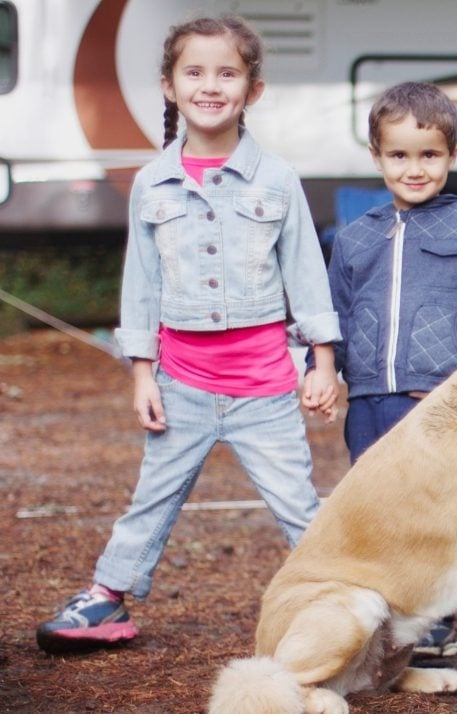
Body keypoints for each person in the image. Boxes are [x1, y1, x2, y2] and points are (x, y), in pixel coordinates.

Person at [35, 15, 340, 655]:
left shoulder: (277, 179)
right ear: (170, 86)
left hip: (265, 386)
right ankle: (106, 600)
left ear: (252, 90)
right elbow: (141, 285)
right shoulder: (152, 182)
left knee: (299, 506)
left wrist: (322, 361)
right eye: (194, 72)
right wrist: (142, 372)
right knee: (151, 500)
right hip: (183, 386)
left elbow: (307, 274)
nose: (210, 86)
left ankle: (347, 597)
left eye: (227, 73)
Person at [301, 81, 457, 657]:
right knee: (381, 508)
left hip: (441, 400)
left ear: (453, 156)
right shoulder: (354, 238)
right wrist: (322, 371)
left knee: (439, 511)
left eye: (430, 155)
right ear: (377, 156)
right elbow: (336, 314)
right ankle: (388, 609)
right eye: (399, 155)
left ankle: (436, 620)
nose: (414, 169)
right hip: (371, 399)